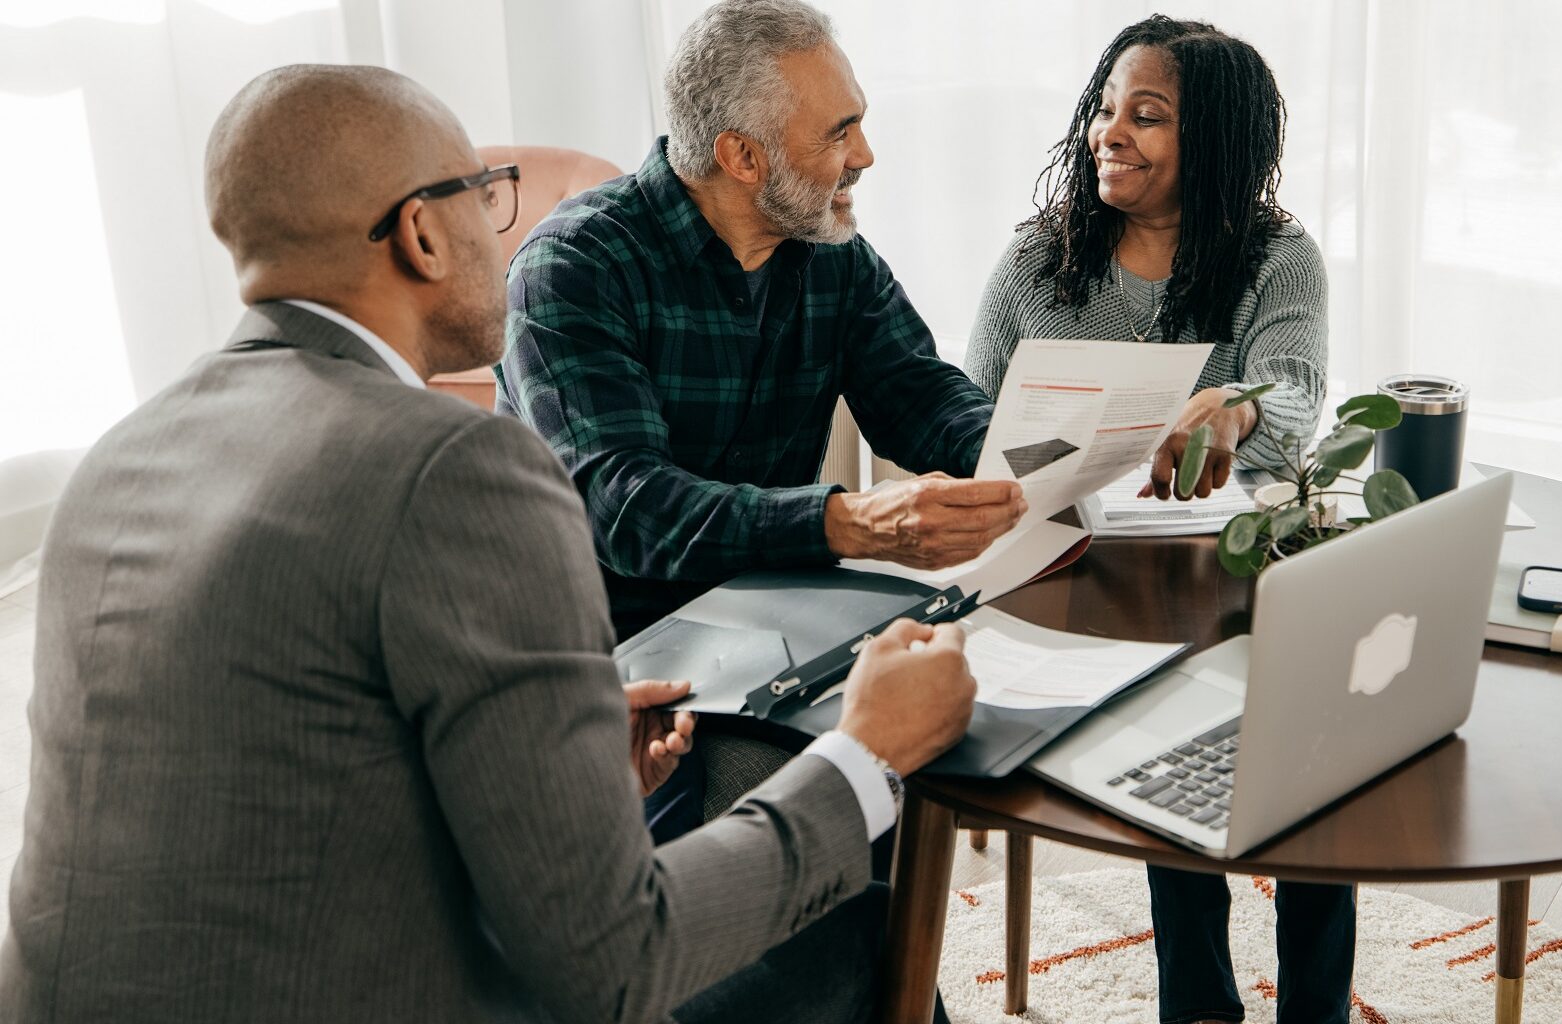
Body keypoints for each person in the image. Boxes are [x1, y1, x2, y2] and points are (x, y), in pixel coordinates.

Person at [0, 64, 978, 1024]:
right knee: (860, 931)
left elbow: (291, 766)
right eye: (485, 193)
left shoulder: (116, 458)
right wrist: (862, 753)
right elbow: (615, 967)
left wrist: (558, 757)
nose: (502, 225)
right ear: (423, 232)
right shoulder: (459, 469)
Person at [497, 0, 1022, 843]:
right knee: (759, 853)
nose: (865, 156)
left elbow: (922, 396)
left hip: (773, 620)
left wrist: (1049, 451)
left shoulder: (831, 252)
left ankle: (894, 975)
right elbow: (629, 508)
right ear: (742, 156)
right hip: (608, 651)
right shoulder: (573, 268)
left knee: (930, 756)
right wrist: (843, 522)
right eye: (838, 133)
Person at [964, 16, 1353, 1024]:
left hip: (1245, 575)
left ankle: (1315, 1005)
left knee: (1318, 767)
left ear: (1213, 142)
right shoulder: (1036, 261)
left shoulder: (1278, 257)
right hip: (1091, 578)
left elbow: (1302, 388)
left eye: (1147, 116)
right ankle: (1199, 1003)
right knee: (1164, 766)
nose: (1110, 133)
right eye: (1105, 109)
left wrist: (1242, 401)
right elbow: (968, 412)